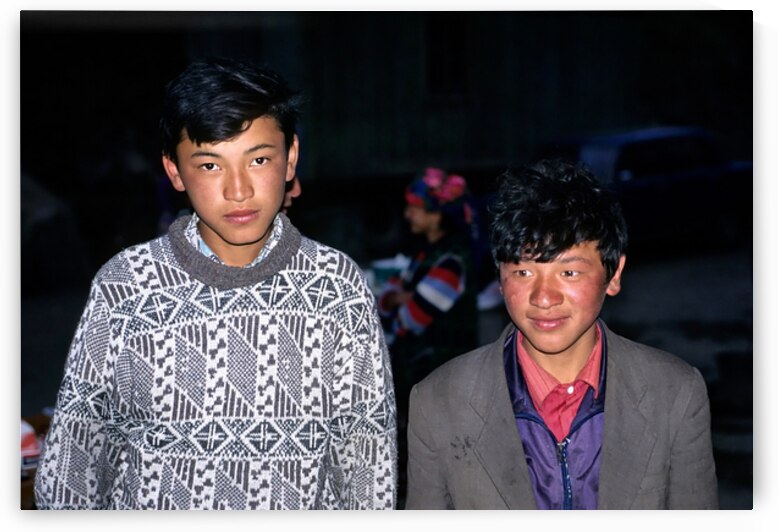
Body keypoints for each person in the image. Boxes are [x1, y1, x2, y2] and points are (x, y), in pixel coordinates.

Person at [34, 57, 397, 510]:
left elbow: (368, 470)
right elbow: (71, 472)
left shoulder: (336, 287)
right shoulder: (126, 286)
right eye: (210, 165)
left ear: (291, 158)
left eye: (259, 159)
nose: (238, 190)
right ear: (174, 171)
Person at [405, 159, 718, 509]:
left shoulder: (675, 394)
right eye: (523, 272)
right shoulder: (438, 403)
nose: (544, 298)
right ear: (499, 277)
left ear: (614, 274)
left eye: (569, 273)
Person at [377, 167, 479, 506]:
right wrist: (403, 299)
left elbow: (409, 320)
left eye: (415, 207)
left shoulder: (450, 260)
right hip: (420, 373)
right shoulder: (425, 253)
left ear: (437, 216)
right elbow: (388, 298)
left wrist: (404, 300)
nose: (408, 214)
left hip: (441, 375)